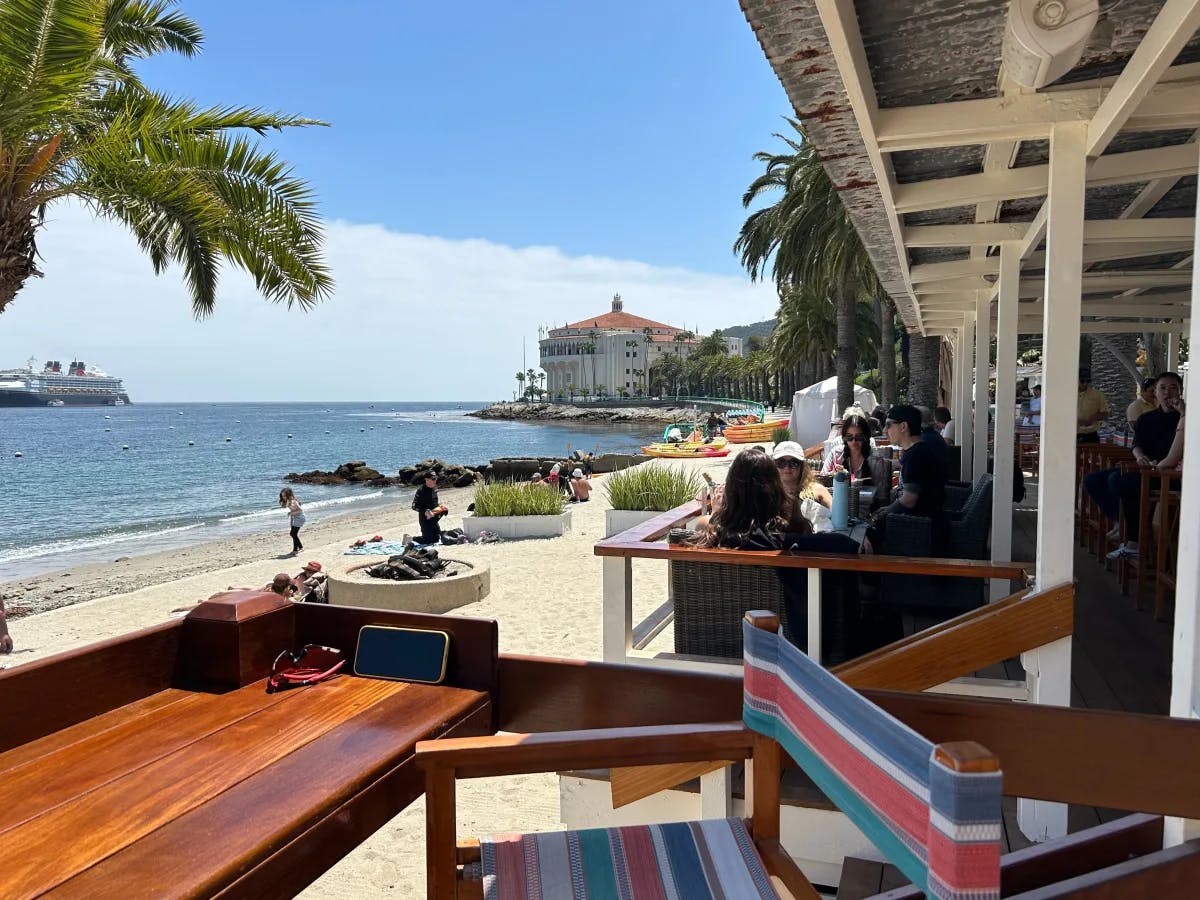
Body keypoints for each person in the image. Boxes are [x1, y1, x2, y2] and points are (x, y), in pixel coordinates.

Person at [689, 450, 868, 663]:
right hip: (791, 647)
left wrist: (718, 513)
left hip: (713, 643)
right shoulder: (786, 538)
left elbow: (702, 524)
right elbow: (843, 545)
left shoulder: (716, 533)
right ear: (774, 489)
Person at [1094, 373, 1183, 559]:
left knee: (1122, 481)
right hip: (1146, 468)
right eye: (1162, 388)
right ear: (1155, 393)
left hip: (1169, 474)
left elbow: (1174, 457)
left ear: (1180, 391)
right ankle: (1119, 522)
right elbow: (1137, 445)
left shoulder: (1186, 417)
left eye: (1173, 387)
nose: (1168, 392)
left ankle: (1133, 541)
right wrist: (1140, 456)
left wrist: (1183, 412)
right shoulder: (1146, 419)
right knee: (1095, 480)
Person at [872, 405, 947, 553]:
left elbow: (909, 499)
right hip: (929, 525)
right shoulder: (918, 450)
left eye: (888, 425)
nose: (885, 430)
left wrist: (885, 512)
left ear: (903, 426)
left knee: (868, 532)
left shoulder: (915, 455)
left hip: (921, 531)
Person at [829, 414, 892, 514]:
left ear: (866, 437)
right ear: (844, 438)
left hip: (867, 511)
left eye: (859, 437)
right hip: (837, 508)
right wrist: (832, 476)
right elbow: (823, 482)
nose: (854, 441)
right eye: (849, 437)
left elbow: (881, 498)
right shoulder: (836, 454)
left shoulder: (876, 461)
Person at [772, 440, 832, 531]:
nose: (787, 467)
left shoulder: (818, 490)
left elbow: (837, 517)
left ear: (802, 466)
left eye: (793, 463)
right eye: (781, 463)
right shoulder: (768, 492)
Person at [412, 472, 448, 545]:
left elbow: (435, 504)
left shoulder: (434, 488)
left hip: (433, 516)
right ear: (426, 480)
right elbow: (414, 506)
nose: (435, 481)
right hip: (425, 518)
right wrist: (425, 511)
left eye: (436, 479)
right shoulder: (421, 490)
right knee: (427, 541)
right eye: (433, 479)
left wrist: (441, 509)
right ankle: (410, 538)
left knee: (436, 539)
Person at [1077, 367, 1110, 443]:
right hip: (1071, 434)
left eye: (1088, 381)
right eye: (1082, 381)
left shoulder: (1098, 395)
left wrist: (1093, 418)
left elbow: (1106, 413)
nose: (1085, 384)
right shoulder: (1067, 394)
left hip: (1091, 435)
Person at [279, 487, 305, 554]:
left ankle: (298, 548)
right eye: (282, 496)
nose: (283, 497)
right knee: (294, 534)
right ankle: (297, 549)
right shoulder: (289, 502)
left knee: (293, 534)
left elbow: (300, 510)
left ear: (289, 495)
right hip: (296, 518)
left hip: (300, 518)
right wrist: (291, 522)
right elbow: (292, 513)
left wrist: (290, 513)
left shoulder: (293, 501)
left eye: (284, 496)